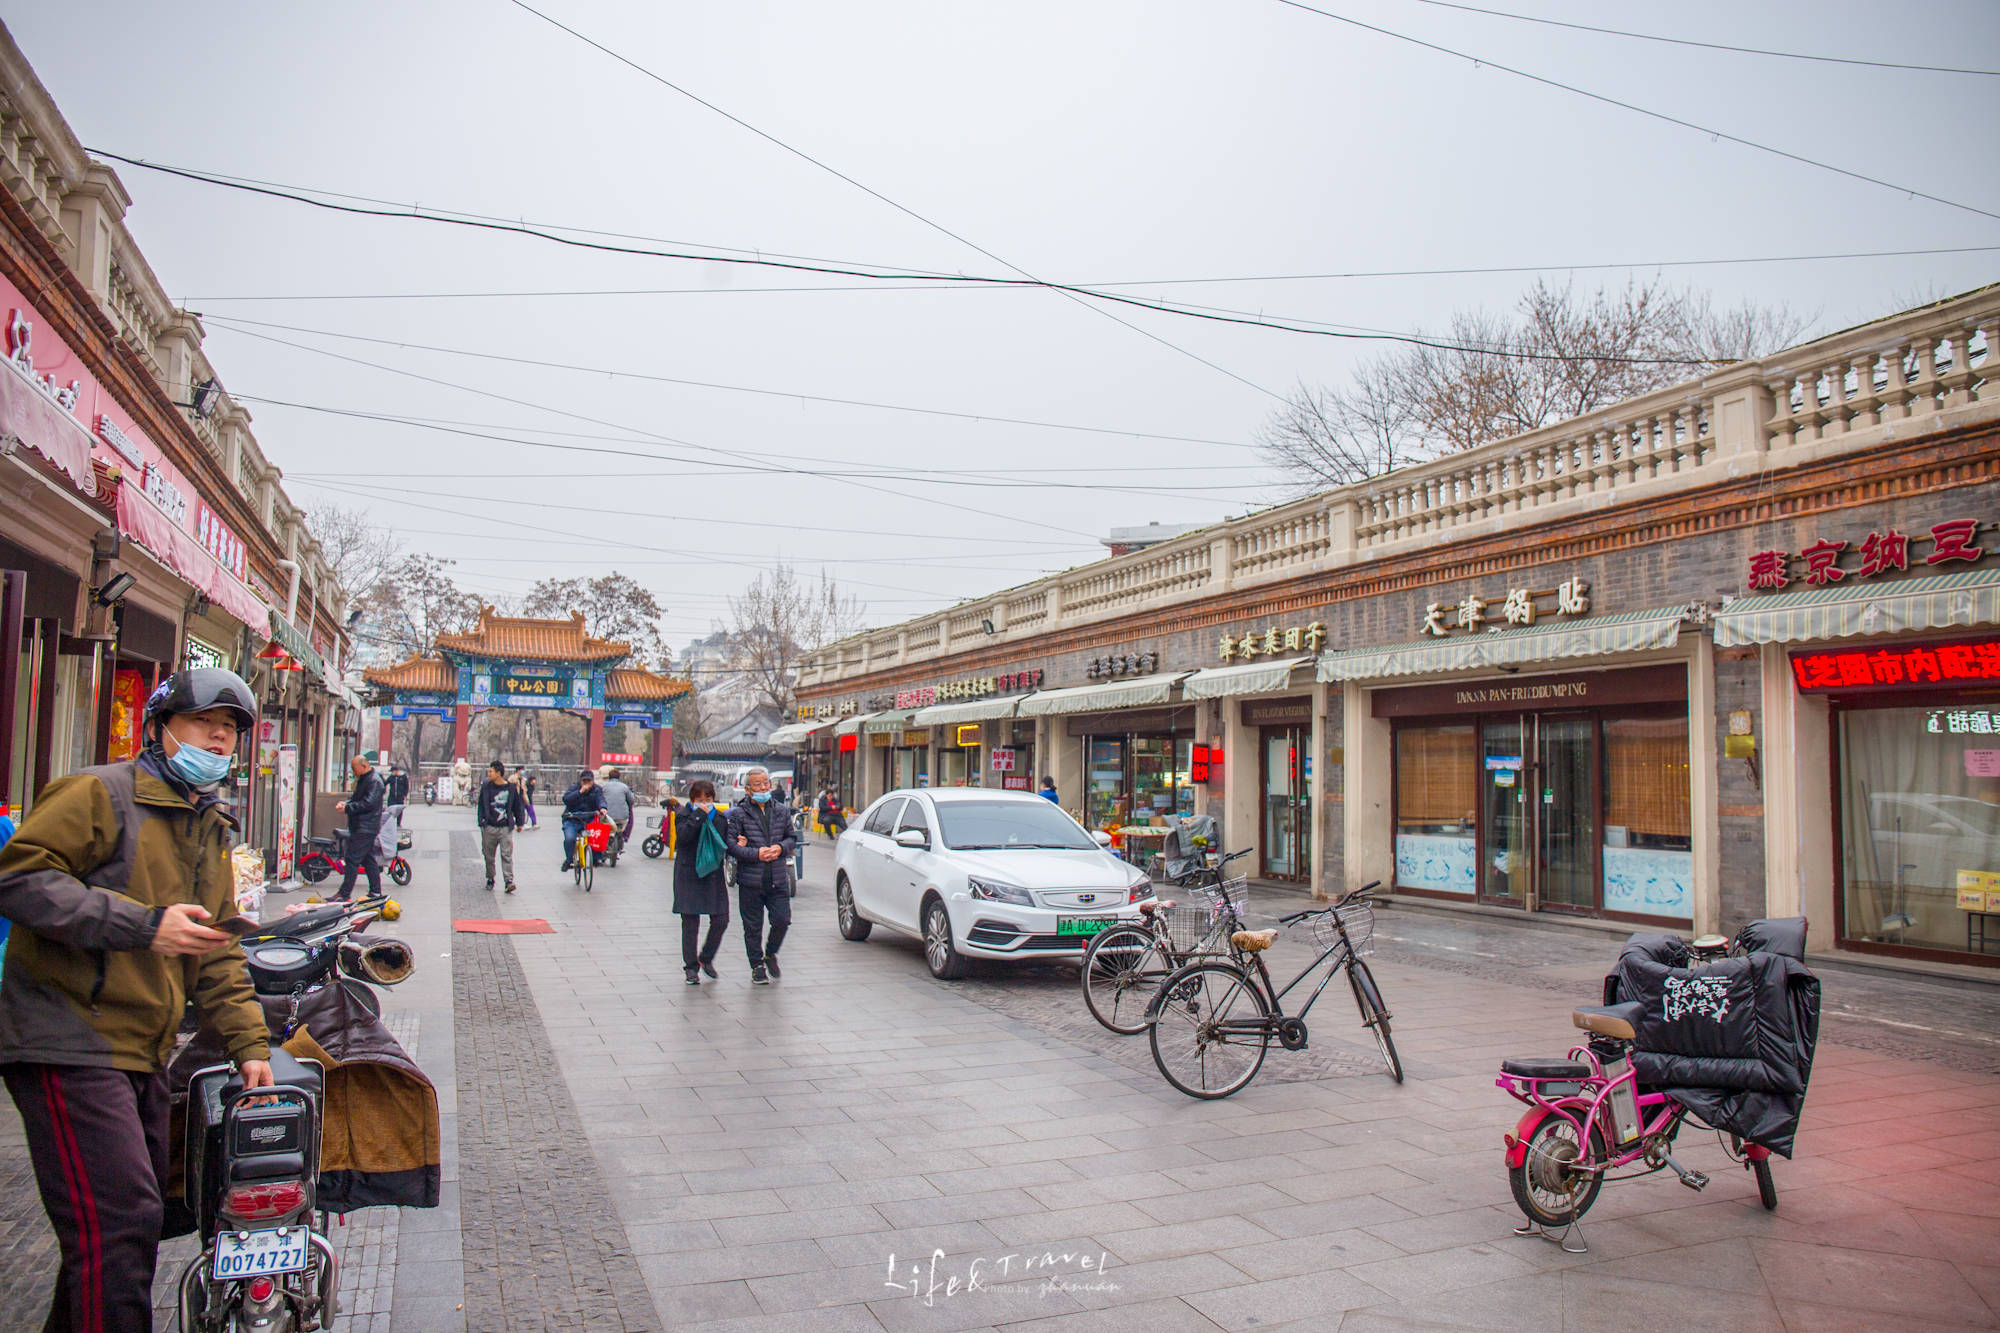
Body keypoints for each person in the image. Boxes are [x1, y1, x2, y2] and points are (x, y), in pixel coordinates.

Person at [0, 666, 273, 1331]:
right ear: (158, 728)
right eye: (204, 723)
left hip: (143, 1047)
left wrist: (250, 1044)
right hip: (67, 1034)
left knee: (116, 1230)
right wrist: (143, 923)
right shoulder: (99, 792)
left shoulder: (214, 828)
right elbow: (21, 878)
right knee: (122, 1221)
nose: (217, 737)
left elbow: (219, 946)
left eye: (230, 729)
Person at [727, 767, 797, 985]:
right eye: (758, 784)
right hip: (751, 879)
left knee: (782, 920)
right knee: (753, 926)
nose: (763, 787)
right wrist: (755, 853)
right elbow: (731, 846)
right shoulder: (739, 814)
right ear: (748, 789)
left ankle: (771, 953)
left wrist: (780, 848)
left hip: (777, 877)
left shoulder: (782, 811)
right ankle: (757, 965)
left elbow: (791, 838)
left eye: (766, 783)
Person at [666, 781, 730, 984]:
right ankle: (691, 967)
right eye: (699, 800)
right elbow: (683, 839)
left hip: (713, 874)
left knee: (721, 919)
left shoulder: (720, 818)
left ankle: (706, 957)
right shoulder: (684, 815)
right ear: (692, 800)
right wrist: (698, 816)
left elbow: (725, 843)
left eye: (708, 799)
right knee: (690, 922)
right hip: (689, 874)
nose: (704, 803)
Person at [333, 750, 386, 899]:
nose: (354, 772)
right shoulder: (366, 779)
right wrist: (347, 803)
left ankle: (345, 893)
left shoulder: (374, 781)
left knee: (352, 859)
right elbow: (358, 798)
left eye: (355, 769)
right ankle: (375, 891)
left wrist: (348, 808)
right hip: (363, 826)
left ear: (364, 766)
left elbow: (367, 803)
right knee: (368, 859)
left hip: (366, 826)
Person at [476, 759, 524, 892]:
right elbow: (481, 805)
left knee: (506, 854)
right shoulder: (486, 787)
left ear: (498, 773)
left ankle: (509, 881)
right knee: (489, 856)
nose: (488, 774)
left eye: (491, 771)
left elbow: (517, 806)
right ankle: (490, 878)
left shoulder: (511, 788)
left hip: (505, 828)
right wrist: (482, 822)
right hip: (489, 827)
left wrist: (520, 822)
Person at [560, 769, 607, 871]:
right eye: (584, 781)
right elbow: (566, 799)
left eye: (589, 781)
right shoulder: (574, 788)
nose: (586, 783)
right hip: (572, 820)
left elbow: (601, 799)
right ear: (580, 781)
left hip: (588, 821)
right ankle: (569, 860)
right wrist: (580, 792)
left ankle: (596, 859)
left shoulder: (596, 789)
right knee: (570, 839)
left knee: (595, 836)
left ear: (593, 781)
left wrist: (603, 808)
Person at [377, 761, 410, 866]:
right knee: (390, 810)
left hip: (399, 796)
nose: (393, 773)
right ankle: (391, 821)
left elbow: (406, 786)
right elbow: (385, 784)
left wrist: (405, 794)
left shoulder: (403, 777)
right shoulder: (392, 778)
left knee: (399, 810)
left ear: (397, 771)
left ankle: (398, 822)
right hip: (392, 796)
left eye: (394, 771)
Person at [599, 767, 635, 849]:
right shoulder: (625, 787)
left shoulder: (603, 787)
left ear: (609, 777)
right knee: (625, 821)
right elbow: (631, 801)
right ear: (619, 777)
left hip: (607, 816)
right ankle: (624, 837)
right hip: (622, 817)